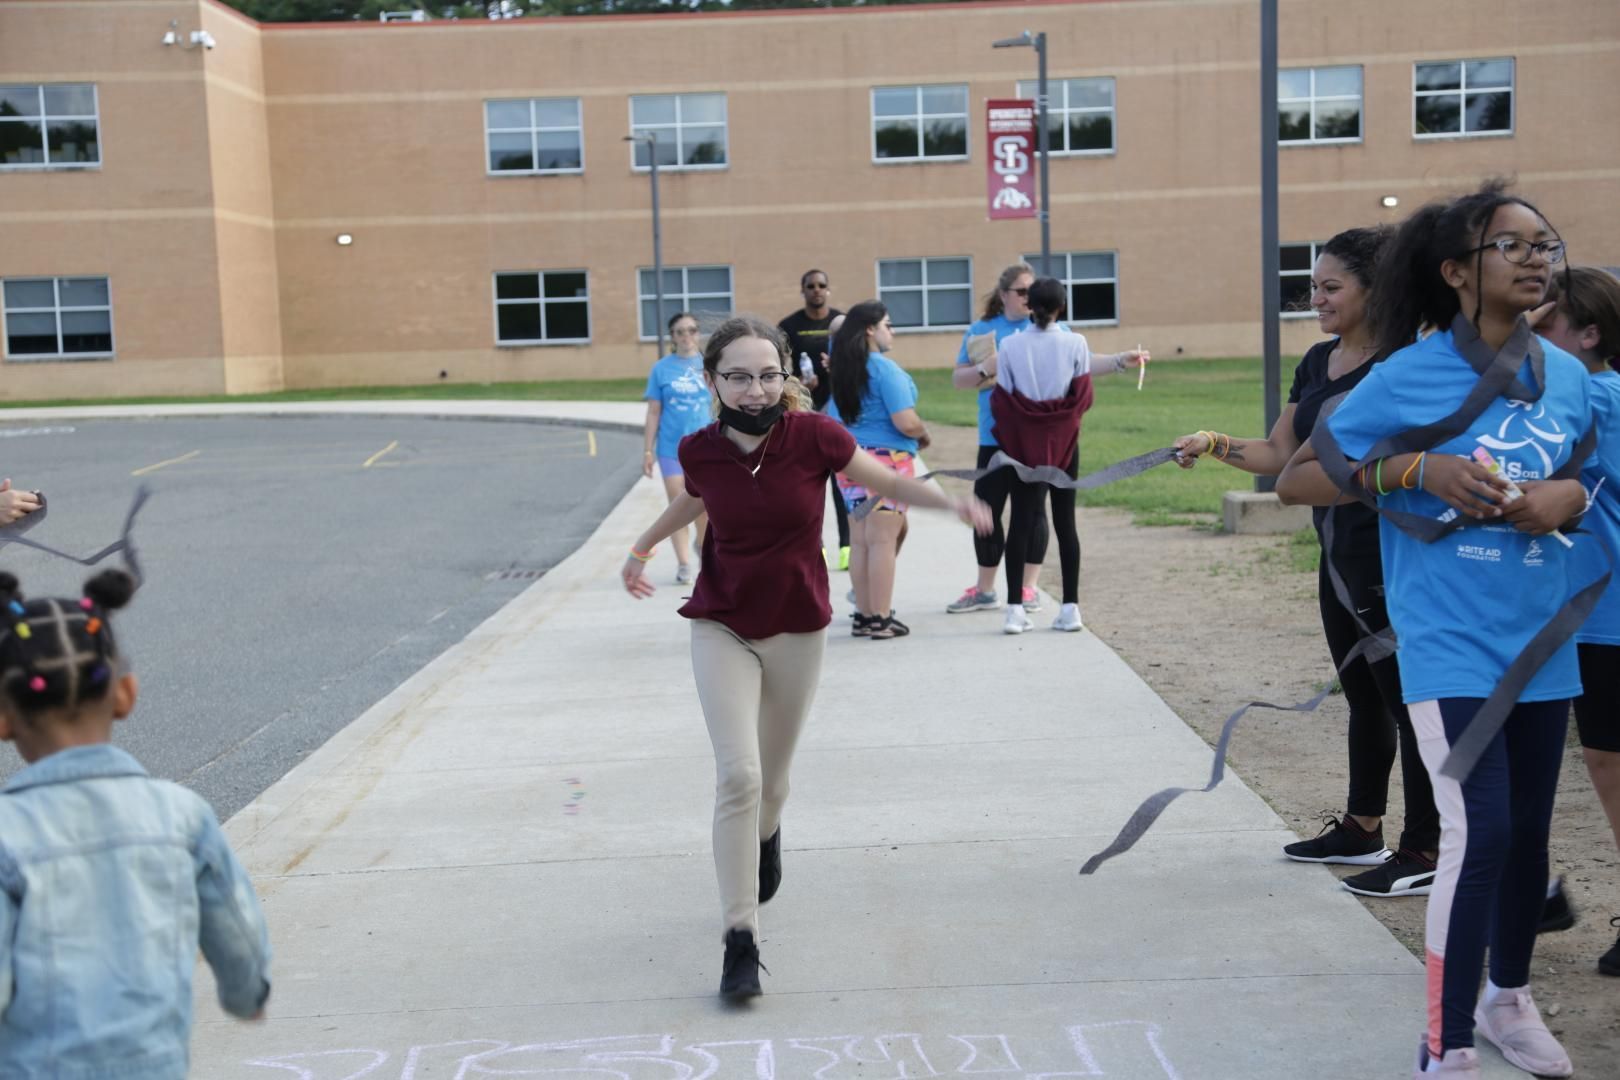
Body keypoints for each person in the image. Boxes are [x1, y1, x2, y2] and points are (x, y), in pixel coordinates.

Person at [1277, 184, 1589, 1078]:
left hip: (1545, 636)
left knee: (1528, 832)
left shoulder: (1568, 376)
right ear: (1456, 271)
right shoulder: (1405, 376)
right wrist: (1417, 468)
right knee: (1480, 832)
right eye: (1511, 245)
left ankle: (1508, 1001)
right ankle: (1445, 1043)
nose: (1537, 258)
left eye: (1545, 242)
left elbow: (1596, 477)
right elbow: (1300, 478)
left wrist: (1571, 493)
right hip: (1450, 641)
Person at [620, 315, 989, 1001]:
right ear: (712, 381)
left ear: (784, 376)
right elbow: (695, 499)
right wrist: (640, 547)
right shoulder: (701, 450)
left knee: (772, 783)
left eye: (767, 375)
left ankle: (767, 836)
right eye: (737, 376)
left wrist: (949, 505)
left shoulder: (814, 436)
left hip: (796, 625)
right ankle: (741, 938)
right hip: (722, 621)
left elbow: (884, 478)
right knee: (738, 775)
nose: (754, 390)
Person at [1175, 226, 1443, 899]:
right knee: (1363, 696)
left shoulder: (1406, 364)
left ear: (1375, 290)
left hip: (1390, 551)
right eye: (1313, 287)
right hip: (1336, 553)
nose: (1315, 299)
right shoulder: (1321, 360)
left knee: (1410, 704)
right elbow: (1276, 455)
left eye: (1331, 287)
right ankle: (1362, 827)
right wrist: (1212, 443)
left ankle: (1425, 848)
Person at [0, 568, 272, 1075]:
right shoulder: (180, 814)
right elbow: (237, 930)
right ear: (125, 694)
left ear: (3, 715)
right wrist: (246, 993)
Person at [1543, 265, 1620, 978]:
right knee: (1597, 759)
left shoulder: (1597, 397)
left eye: (1547, 326)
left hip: (1610, 617)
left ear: (1589, 335)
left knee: (1610, 763)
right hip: (1583, 617)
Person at [992, 277, 1146, 635]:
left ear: (1029, 305)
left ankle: (1015, 609)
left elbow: (1003, 401)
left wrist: (1020, 433)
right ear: (1062, 306)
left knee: (1020, 522)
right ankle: (1071, 608)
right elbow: (1082, 397)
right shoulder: (1076, 342)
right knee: (1065, 523)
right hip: (1064, 443)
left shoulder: (1010, 346)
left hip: (1022, 446)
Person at [826, 301, 933, 640]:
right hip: (888, 461)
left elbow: (831, 420)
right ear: (871, 329)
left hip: (851, 462)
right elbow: (906, 420)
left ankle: (864, 614)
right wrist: (922, 433)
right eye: (888, 324)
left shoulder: (843, 372)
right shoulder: (886, 371)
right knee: (883, 542)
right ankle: (882, 619)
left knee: (861, 542)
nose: (893, 331)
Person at [946, 263, 1049, 616]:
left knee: (1032, 511)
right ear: (1004, 295)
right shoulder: (983, 330)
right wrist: (986, 367)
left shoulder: (1048, 327)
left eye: (1032, 291)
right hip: (993, 436)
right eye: (1021, 291)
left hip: (1034, 437)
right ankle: (985, 590)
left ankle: (1028, 588)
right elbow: (959, 380)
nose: (1028, 298)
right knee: (986, 512)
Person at [778, 270, 850, 569]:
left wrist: (838, 373)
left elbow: (856, 364)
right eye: (811, 286)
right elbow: (779, 369)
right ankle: (814, 545)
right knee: (809, 483)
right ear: (803, 290)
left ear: (829, 290)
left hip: (839, 410)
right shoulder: (789, 326)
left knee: (842, 480)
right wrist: (798, 384)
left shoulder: (842, 323)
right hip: (803, 411)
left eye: (822, 286)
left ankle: (847, 545)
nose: (817, 291)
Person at [642, 312, 712, 584]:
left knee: (704, 507)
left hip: (705, 449)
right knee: (677, 506)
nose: (687, 336)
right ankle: (683, 563)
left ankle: (705, 553)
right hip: (672, 449)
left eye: (692, 330)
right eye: (680, 332)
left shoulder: (709, 365)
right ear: (672, 337)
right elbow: (653, 412)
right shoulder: (661, 369)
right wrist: (647, 450)